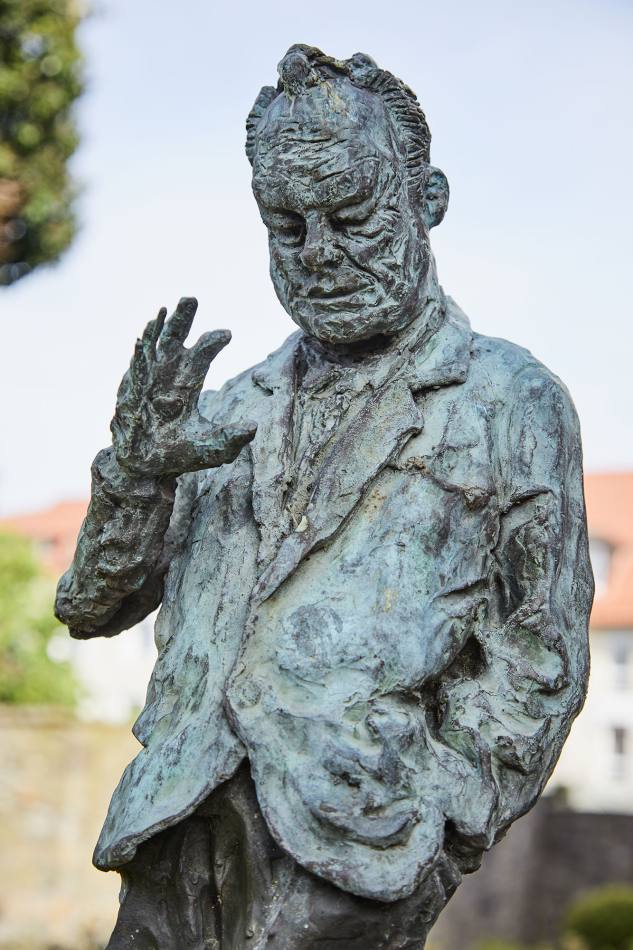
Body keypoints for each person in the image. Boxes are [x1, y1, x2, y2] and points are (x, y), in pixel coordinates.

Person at [56, 45, 593, 949]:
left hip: (360, 848)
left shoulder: (507, 400)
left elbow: (537, 654)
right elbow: (89, 607)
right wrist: (138, 474)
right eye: (286, 225)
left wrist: (444, 814)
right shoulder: (226, 409)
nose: (320, 254)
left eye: (351, 217)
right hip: (174, 834)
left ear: (427, 203)